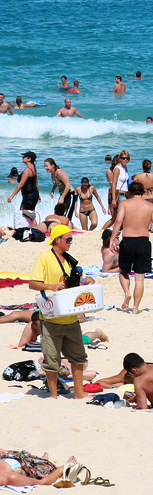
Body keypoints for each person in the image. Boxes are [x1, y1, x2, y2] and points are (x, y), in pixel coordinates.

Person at [27, 225, 89, 398]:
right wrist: (51, 286)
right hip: (51, 318)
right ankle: (53, 395)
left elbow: (76, 281)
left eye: (71, 239)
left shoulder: (70, 260)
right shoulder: (45, 258)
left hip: (70, 318)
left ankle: (79, 393)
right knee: (51, 360)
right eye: (68, 239)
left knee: (78, 357)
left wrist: (85, 281)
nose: (71, 242)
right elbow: (33, 283)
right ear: (57, 240)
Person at [109, 181, 153, 314]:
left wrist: (112, 238)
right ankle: (136, 308)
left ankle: (127, 292)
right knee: (140, 278)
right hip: (144, 241)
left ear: (130, 192)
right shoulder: (150, 206)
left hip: (128, 241)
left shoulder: (125, 204)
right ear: (143, 192)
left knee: (123, 271)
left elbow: (118, 221)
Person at [7, 151, 40, 224]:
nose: (22, 158)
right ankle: (33, 228)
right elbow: (36, 183)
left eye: (24, 157)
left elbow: (21, 184)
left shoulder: (27, 170)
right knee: (30, 214)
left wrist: (12, 196)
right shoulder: (34, 169)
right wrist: (38, 194)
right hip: (33, 194)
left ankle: (35, 229)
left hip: (29, 195)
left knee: (26, 214)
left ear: (29, 159)